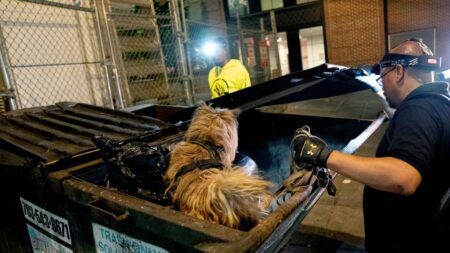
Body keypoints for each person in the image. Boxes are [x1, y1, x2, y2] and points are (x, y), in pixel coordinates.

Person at [293, 39, 450, 252]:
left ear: (399, 72)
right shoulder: (440, 104)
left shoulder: (419, 111)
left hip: (402, 242)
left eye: (383, 77)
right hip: (420, 232)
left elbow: (403, 178)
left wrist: (322, 155)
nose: (381, 85)